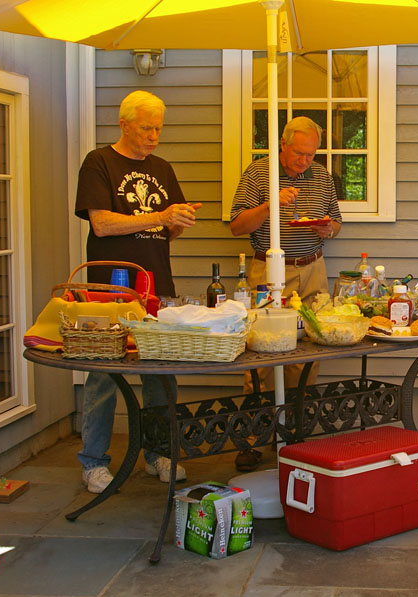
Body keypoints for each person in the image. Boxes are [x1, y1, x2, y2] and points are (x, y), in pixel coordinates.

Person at [74, 90, 201, 493]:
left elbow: (169, 228)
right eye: (146, 128)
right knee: (102, 375)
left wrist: (178, 220)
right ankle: (93, 462)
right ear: (124, 123)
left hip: (157, 285)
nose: (153, 136)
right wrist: (161, 214)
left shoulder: (162, 168)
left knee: (160, 374)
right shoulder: (98, 162)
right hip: (108, 288)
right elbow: (101, 224)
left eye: (158, 128)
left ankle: (158, 454)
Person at [229, 116, 342, 471]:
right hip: (268, 270)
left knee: (310, 351)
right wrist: (271, 205)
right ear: (282, 144)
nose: (305, 161)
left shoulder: (321, 176)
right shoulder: (258, 173)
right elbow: (237, 226)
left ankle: (296, 430)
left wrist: (328, 229)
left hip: (312, 268)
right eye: (299, 153)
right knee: (262, 352)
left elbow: (336, 222)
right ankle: (253, 438)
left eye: (311, 155)